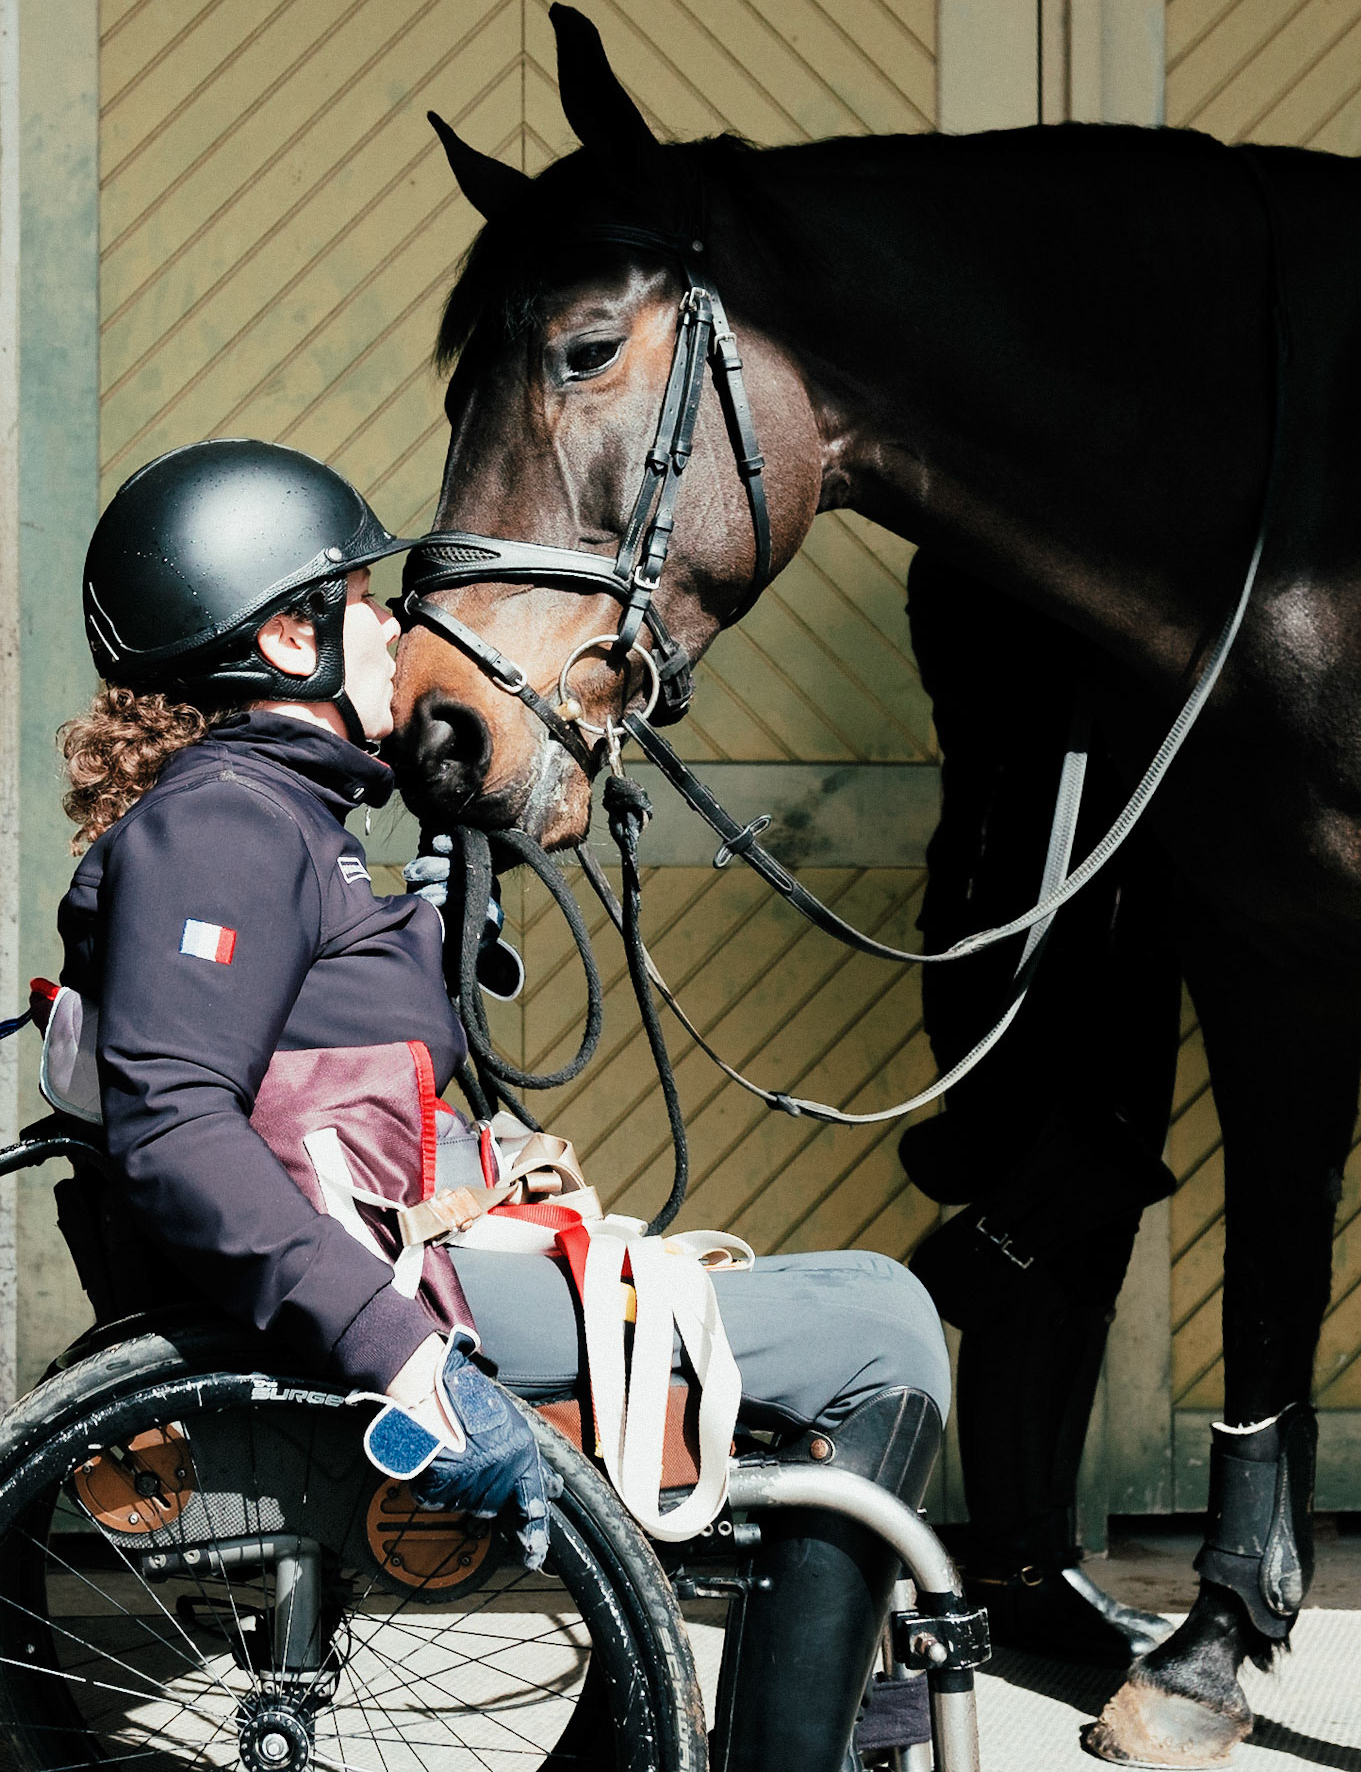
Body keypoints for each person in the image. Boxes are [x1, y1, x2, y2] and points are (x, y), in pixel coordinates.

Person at [56, 436, 951, 1772]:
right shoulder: (226, 824)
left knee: (841, 1317)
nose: (393, 625)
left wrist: (432, 907)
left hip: (396, 1262)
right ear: (290, 642)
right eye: (363, 600)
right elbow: (177, 1126)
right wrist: (406, 1356)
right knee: (880, 1325)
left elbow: (325, 1055)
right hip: (376, 1302)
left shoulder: (280, 816)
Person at [901, 552, 1181, 1665]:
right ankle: (1015, 1572)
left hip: (1122, 937)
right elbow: (1002, 714)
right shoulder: (979, 559)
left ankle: (1037, 1557)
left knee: (1088, 1246)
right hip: (1011, 932)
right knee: (1034, 1251)